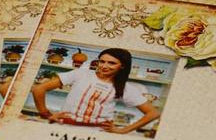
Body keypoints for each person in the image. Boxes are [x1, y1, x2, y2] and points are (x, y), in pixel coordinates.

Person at [32, 48, 160, 134]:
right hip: (63, 128)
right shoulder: (81, 73)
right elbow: (38, 89)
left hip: (97, 134)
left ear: (122, 66)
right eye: (102, 61)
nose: (104, 66)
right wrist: (46, 114)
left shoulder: (125, 87)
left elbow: (153, 113)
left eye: (111, 63)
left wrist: (123, 130)